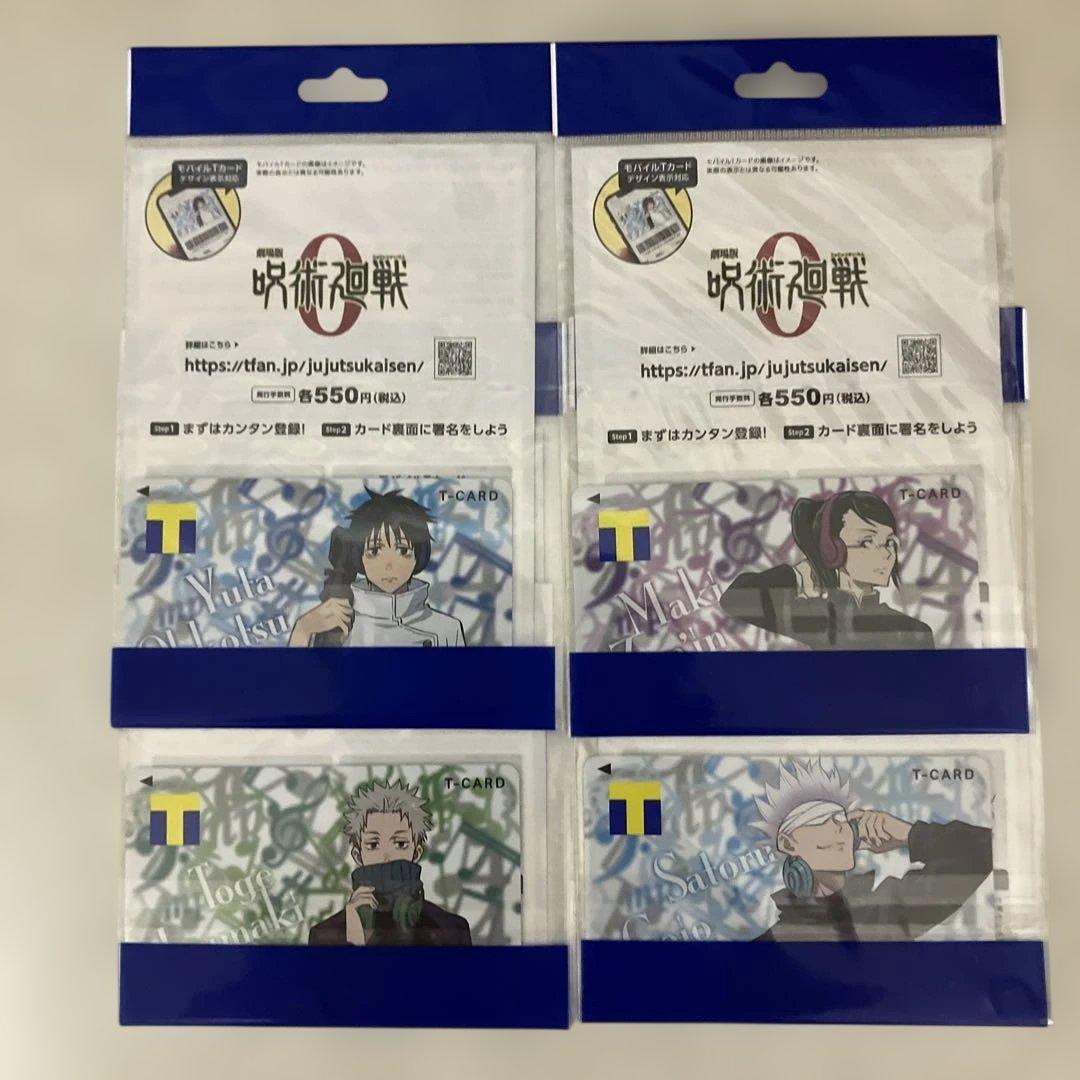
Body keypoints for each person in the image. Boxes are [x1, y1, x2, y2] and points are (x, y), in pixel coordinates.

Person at [749, 759, 993, 942]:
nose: (840, 827)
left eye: (841, 818)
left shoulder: (885, 913)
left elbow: (985, 852)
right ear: (788, 843)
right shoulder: (775, 941)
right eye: (820, 820)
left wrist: (908, 834)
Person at [719, 489, 934, 650]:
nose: (886, 553)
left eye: (888, 542)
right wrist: (804, 572)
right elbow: (735, 599)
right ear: (832, 550)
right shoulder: (816, 618)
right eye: (867, 541)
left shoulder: (915, 632)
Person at [288, 488, 465, 647]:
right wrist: (303, 629)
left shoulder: (446, 630)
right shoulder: (333, 624)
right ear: (359, 556)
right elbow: (295, 674)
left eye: (403, 550)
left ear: (418, 555)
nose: (388, 565)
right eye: (374, 551)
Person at [308, 780, 472, 947]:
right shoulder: (325, 935)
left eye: (400, 844)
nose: (387, 856)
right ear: (358, 855)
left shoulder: (452, 930)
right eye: (373, 845)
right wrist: (352, 942)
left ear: (416, 853)